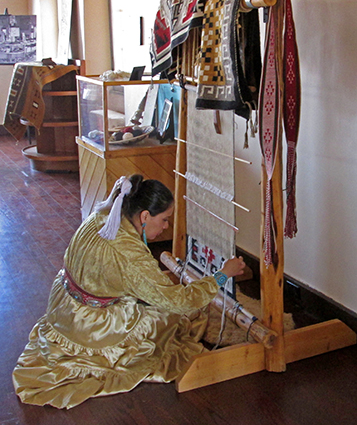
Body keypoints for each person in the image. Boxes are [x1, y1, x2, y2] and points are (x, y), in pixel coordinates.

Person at [12, 174, 245, 409]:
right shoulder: (130, 256)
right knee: (167, 320)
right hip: (90, 326)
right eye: (164, 220)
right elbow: (181, 301)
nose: (166, 227)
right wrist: (222, 275)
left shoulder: (105, 214)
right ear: (144, 216)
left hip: (63, 307)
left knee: (158, 309)